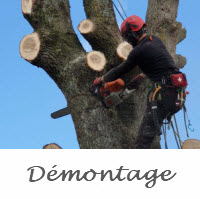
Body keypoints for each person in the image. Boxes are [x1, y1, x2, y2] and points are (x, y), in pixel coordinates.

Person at [93, 15, 188, 149]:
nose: (127, 41)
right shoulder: (155, 41)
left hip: (165, 95)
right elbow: (153, 69)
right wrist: (134, 83)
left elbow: (121, 70)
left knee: (142, 142)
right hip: (177, 95)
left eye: (127, 37)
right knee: (150, 138)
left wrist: (101, 80)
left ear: (132, 33)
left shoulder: (138, 51)